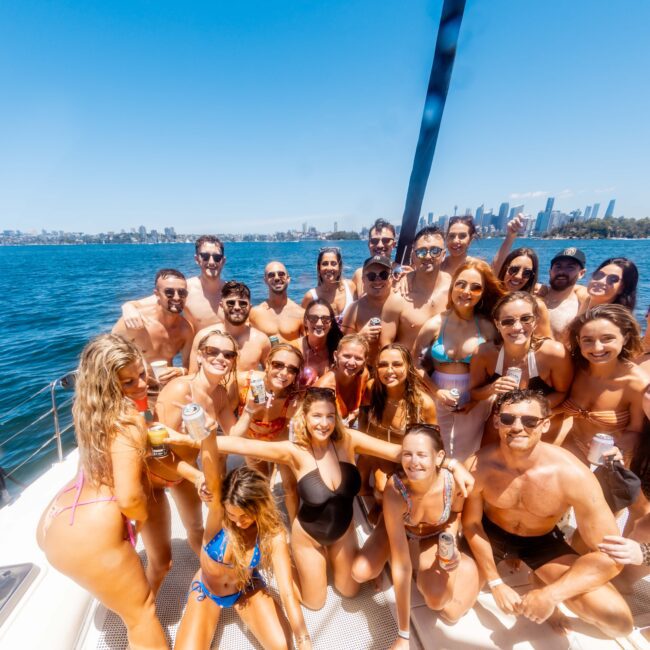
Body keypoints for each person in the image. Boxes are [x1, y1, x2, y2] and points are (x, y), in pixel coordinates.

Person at [206, 386, 473, 611]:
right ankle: (285, 561)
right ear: (305, 418)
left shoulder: (349, 440)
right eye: (317, 416)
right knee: (314, 604)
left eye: (330, 416)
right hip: (309, 535)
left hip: (343, 532)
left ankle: (339, 560)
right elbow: (239, 445)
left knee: (349, 592)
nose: (323, 423)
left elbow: (403, 451)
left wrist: (451, 463)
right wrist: (191, 437)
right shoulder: (293, 451)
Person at [462, 389, 633, 639]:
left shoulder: (572, 475)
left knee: (618, 621)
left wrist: (551, 595)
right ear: (497, 421)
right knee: (448, 606)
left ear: (544, 425)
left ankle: (540, 579)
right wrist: (495, 582)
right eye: (509, 419)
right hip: (491, 534)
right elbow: (472, 524)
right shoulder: (479, 465)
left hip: (541, 542)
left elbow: (611, 555)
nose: (518, 427)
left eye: (530, 421)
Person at [36, 334, 168, 650]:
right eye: (128, 381)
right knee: (142, 615)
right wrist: (136, 523)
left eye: (141, 373)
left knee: (130, 607)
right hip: (93, 536)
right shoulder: (127, 420)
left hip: (56, 521)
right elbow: (129, 498)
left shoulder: (89, 410)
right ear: (108, 385)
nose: (141, 383)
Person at [352, 424, 479, 648]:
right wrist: (403, 634)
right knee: (360, 572)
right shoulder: (395, 490)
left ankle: (462, 565)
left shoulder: (453, 483)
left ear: (439, 456)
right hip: (399, 526)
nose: (413, 462)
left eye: (422, 455)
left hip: (432, 533)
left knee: (441, 603)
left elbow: (455, 513)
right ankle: (389, 544)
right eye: (407, 454)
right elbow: (401, 567)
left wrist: (449, 543)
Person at [153, 330, 256, 591]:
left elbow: (231, 434)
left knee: (206, 520)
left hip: (189, 470)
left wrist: (251, 411)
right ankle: (207, 577)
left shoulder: (220, 393)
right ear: (199, 355)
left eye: (228, 354)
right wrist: (196, 476)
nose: (221, 358)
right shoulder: (179, 389)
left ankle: (214, 572)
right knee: (177, 539)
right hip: (160, 472)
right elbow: (156, 450)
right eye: (213, 351)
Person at [175, 462, 312, 650]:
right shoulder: (218, 511)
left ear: (260, 506)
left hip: (244, 587)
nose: (238, 523)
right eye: (232, 515)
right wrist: (199, 478)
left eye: (245, 516)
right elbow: (201, 462)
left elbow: (287, 592)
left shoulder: (273, 535)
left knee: (283, 647)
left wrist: (303, 639)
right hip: (207, 590)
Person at [414, 259, 503, 459]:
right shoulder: (434, 323)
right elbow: (414, 363)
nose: (466, 291)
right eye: (461, 284)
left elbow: (499, 369)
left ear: (482, 294)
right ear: (452, 287)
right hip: (438, 392)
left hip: (476, 397)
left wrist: (477, 399)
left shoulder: (488, 327)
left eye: (475, 287)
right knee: (438, 449)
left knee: (469, 453)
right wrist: (437, 392)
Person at [470, 291, 573, 443]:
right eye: (508, 321)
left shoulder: (554, 353)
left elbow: (563, 392)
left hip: (541, 425)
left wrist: (533, 410)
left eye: (526, 319)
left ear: (536, 321)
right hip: (504, 422)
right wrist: (491, 389)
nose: (517, 327)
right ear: (498, 324)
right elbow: (474, 393)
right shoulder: (484, 353)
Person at [557, 304, 647, 464]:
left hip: (608, 461)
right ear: (578, 341)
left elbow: (636, 431)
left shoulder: (636, 383)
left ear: (625, 338)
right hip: (569, 450)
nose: (597, 348)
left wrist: (618, 450)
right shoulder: (574, 368)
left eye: (607, 339)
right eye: (588, 340)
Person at [359, 344, 437, 502]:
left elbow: (434, 443)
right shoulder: (372, 388)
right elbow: (363, 418)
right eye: (383, 365)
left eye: (397, 364)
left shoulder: (423, 404)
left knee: (383, 490)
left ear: (409, 367)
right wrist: (364, 449)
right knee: (359, 482)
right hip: (373, 452)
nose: (389, 371)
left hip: (401, 458)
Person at [236, 343, 304, 519]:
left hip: (278, 441)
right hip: (249, 440)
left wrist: (273, 455)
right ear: (267, 364)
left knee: (290, 486)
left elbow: (288, 432)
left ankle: (296, 526)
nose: (283, 373)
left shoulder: (293, 399)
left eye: (292, 369)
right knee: (261, 484)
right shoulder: (244, 382)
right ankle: (267, 522)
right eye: (278, 364)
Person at [121, 235, 227, 332]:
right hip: (197, 351)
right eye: (205, 256)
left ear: (223, 260)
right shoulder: (184, 289)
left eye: (217, 257)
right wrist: (128, 308)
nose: (212, 262)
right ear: (197, 259)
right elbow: (140, 303)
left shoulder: (232, 293)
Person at [112, 268, 194, 387]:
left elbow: (188, 365)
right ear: (157, 294)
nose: (177, 297)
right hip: (134, 390)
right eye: (169, 292)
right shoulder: (135, 322)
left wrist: (180, 371)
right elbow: (107, 355)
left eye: (182, 293)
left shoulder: (186, 329)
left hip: (165, 389)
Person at [380, 226, 449, 356]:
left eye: (435, 251)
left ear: (444, 255)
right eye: (421, 251)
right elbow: (385, 346)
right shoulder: (399, 297)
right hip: (409, 371)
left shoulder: (455, 290)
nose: (428, 256)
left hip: (446, 371)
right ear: (413, 256)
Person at [189, 281, 271, 372]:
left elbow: (270, 374)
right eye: (231, 303)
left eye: (242, 304)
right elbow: (192, 376)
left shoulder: (261, 340)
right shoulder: (203, 337)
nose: (237, 307)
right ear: (221, 305)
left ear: (250, 307)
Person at [341, 255, 394, 366]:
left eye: (383, 275)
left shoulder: (403, 303)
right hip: (366, 370)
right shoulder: (353, 310)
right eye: (371, 276)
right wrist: (360, 337)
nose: (378, 280)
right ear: (363, 280)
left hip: (397, 372)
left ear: (391, 277)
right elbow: (343, 349)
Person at [496, 248, 552, 338]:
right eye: (514, 269)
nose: (518, 276)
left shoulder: (537, 306)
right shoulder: (489, 298)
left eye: (526, 273)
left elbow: (546, 342)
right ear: (504, 268)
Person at [536, 247, 588, 345]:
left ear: (581, 273)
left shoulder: (582, 304)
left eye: (570, 267)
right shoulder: (534, 294)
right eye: (558, 266)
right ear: (550, 271)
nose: (562, 272)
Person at [316, 334, 370, 427]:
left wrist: (356, 413)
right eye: (347, 356)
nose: (352, 363)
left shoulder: (363, 375)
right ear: (336, 356)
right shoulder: (323, 387)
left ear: (365, 361)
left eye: (358, 358)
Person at [249, 261, 304, 343]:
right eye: (271, 275)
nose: (277, 278)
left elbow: (307, 347)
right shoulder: (255, 313)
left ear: (288, 279)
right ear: (265, 280)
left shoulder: (300, 313)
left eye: (281, 274)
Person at [295, 299, 343, 385]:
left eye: (325, 319)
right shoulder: (294, 349)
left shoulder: (338, 348)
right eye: (313, 318)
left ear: (331, 323)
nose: (319, 323)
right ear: (306, 321)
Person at [301, 247, 357, 320]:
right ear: (319, 268)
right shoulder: (311, 296)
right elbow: (302, 325)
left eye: (333, 263)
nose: (329, 268)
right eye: (325, 264)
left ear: (339, 267)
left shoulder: (350, 287)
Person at [440, 215, 477, 281]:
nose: (455, 241)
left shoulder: (478, 268)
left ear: (470, 240)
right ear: (446, 238)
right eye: (451, 236)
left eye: (462, 236)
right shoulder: (438, 266)